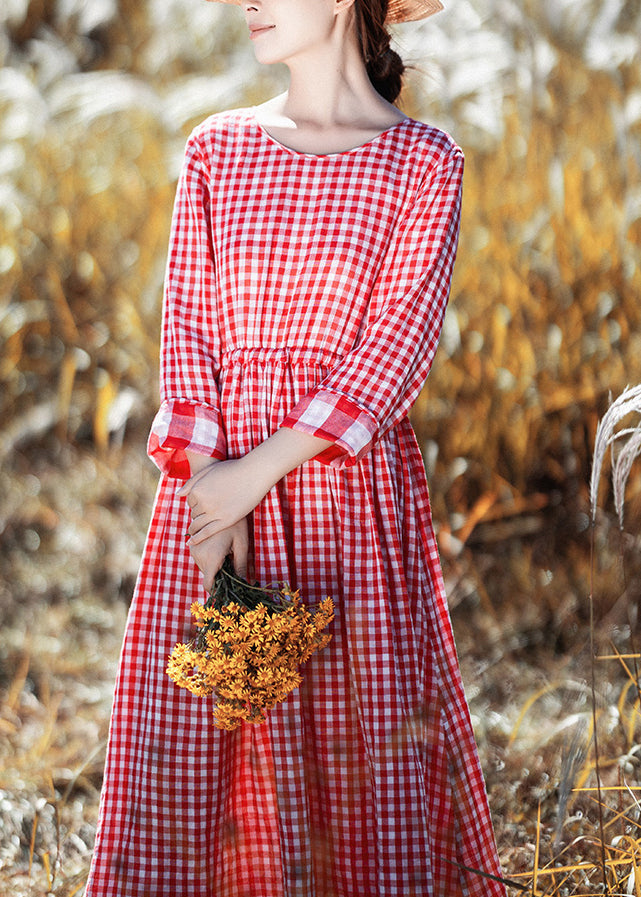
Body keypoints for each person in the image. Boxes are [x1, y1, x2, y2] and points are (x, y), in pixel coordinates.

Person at [85, 0, 507, 893]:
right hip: (211, 500)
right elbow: (187, 333)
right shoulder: (215, 150)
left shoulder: (422, 162)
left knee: (355, 751)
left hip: (341, 502)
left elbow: (395, 351)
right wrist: (212, 494)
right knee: (195, 751)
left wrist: (252, 477)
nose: (249, 2)